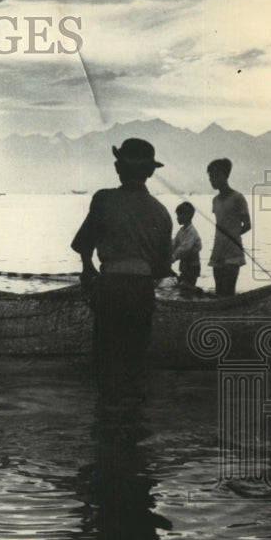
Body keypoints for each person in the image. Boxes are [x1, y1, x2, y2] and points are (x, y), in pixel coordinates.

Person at [71, 139, 173, 399]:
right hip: (141, 293)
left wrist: (88, 270)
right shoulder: (162, 213)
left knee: (106, 361)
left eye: (118, 162)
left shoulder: (104, 199)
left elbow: (83, 243)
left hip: (110, 289)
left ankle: (107, 422)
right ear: (150, 173)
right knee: (134, 362)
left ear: (119, 168)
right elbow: (162, 269)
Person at [207, 158, 250, 297]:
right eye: (210, 177)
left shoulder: (238, 197)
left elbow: (247, 225)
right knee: (219, 291)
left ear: (225, 175)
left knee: (229, 292)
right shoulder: (215, 200)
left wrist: (234, 235)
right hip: (218, 249)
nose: (212, 180)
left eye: (215, 175)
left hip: (233, 251)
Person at [171, 201, 202, 288]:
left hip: (192, 266)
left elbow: (185, 249)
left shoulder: (192, 232)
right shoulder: (181, 231)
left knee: (188, 286)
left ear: (187, 216)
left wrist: (172, 258)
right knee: (183, 284)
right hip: (184, 265)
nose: (177, 218)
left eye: (179, 215)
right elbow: (174, 243)